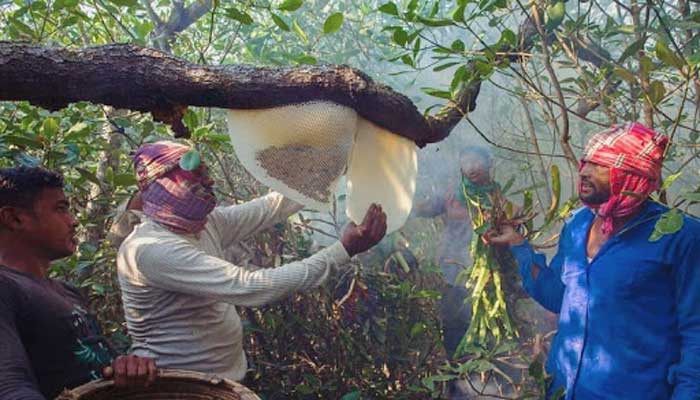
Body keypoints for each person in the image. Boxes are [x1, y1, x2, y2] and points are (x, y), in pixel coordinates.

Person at [116, 141, 387, 382]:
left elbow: (271, 208)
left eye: (207, 176)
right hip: (180, 385)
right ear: (165, 184)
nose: (210, 183)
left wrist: (334, 166)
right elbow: (250, 287)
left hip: (221, 381)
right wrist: (344, 249)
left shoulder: (199, 224)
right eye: (196, 178)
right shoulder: (152, 250)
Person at [486, 122, 700, 399]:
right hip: (563, 389)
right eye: (586, 161)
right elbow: (561, 298)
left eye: (600, 165)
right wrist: (519, 246)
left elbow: (696, 332)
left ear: (632, 173)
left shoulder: (679, 236)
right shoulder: (578, 224)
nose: (584, 171)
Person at [0, 166, 157, 400]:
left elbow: (98, 365)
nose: (73, 222)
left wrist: (126, 366)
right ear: (14, 218)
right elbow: (10, 387)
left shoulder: (67, 291)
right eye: (60, 209)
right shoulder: (5, 287)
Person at [412, 146, 496, 359]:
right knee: (453, 328)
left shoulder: (497, 198)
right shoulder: (452, 194)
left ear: (489, 164)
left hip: (487, 278)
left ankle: (489, 377)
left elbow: (505, 230)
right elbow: (424, 208)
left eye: (477, 161)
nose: (472, 167)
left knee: (487, 330)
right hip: (453, 274)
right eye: (466, 162)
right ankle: (457, 378)